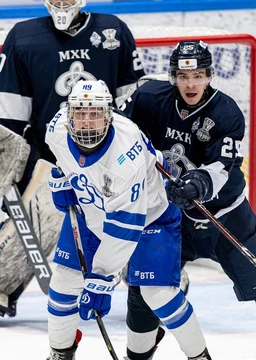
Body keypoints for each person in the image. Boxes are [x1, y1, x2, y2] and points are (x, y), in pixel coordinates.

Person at [119, 41, 256, 360]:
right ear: (173, 76)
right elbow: (118, 133)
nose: (190, 83)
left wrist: (197, 185)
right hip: (170, 219)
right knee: (142, 292)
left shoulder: (225, 112)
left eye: (198, 75)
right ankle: (136, 357)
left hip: (224, 217)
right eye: (183, 75)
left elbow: (222, 166)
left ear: (209, 75)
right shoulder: (150, 99)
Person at [0, 0, 148, 323]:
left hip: (109, 158)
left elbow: (133, 98)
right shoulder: (24, 37)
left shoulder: (113, 31)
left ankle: (152, 281)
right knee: (30, 216)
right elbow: (9, 112)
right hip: (49, 158)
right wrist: (8, 166)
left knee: (129, 219)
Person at [44, 80, 211, 360]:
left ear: (108, 115)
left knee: (158, 294)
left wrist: (101, 278)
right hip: (92, 210)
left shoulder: (125, 155)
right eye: (80, 114)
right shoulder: (57, 128)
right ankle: (60, 352)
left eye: (94, 114)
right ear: (69, 114)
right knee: (63, 281)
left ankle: (199, 357)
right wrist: (62, 177)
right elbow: (61, 157)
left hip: (149, 218)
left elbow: (126, 228)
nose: (86, 122)